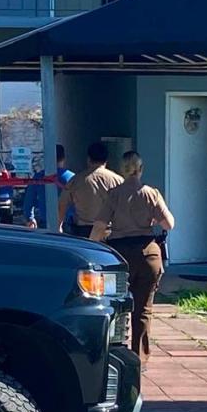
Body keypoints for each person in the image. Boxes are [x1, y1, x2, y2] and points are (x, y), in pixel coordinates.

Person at [92, 151, 175, 366]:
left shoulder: (114, 194)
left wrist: (94, 247)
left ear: (122, 169)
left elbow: (99, 227)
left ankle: (112, 353)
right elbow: (169, 224)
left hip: (119, 255)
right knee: (143, 308)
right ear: (141, 169)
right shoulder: (151, 194)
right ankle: (139, 358)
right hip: (148, 253)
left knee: (113, 304)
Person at [59, 141, 123, 237]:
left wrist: (59, 226)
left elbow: (62, 205)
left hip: (83, 232)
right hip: (108, 232)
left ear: (88, 159)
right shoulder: (117, 180)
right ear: (106, 160)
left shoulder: (76, 180)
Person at [22, 144, 74, 229]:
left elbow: (29, 200)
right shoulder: (72, 178)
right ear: (64, 158)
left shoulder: (39, 177)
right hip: (68, 223)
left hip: (45, 223)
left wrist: (30, 218)